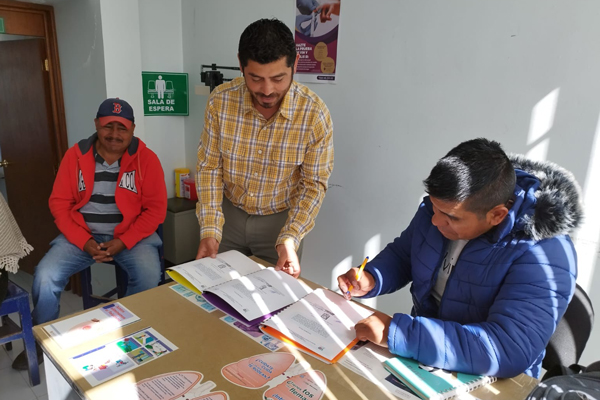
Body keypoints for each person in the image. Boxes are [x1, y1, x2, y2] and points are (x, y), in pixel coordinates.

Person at [338, 138, 581, 379]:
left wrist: (398, 333)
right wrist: (373, 277)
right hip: (425, 356)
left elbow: (506, 348)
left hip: (494, 380)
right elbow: (405, 254)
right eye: (434, 207)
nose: (435, 220)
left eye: (450, 217)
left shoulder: (545, 253)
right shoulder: (442, 209)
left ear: (497, 215)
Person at [12, 98, 167, 370]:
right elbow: (59, 204)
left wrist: (124, 241)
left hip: (132, 238)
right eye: (109, 126)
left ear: (132, 130)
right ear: (97, 125)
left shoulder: (147, 159)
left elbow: (155, 210)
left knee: (148, 275)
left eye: (123, 128)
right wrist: (84, 241)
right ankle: (39, 341)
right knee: (45, 276)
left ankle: (132, 336)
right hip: (82, 237)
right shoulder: (76, 156)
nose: (115, 134)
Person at [195, 18, 334, 278]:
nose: (267, 90)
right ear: (241, 64)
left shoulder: (314, 114)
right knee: (214, 294)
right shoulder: (220, 102)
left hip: (280, 223)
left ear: (294, 66)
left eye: (278, 78)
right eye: (256, 78)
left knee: (276, 303)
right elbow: (209, 168)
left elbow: (313, 184)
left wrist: (290, 239)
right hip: (228, 217)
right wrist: (210, 230)